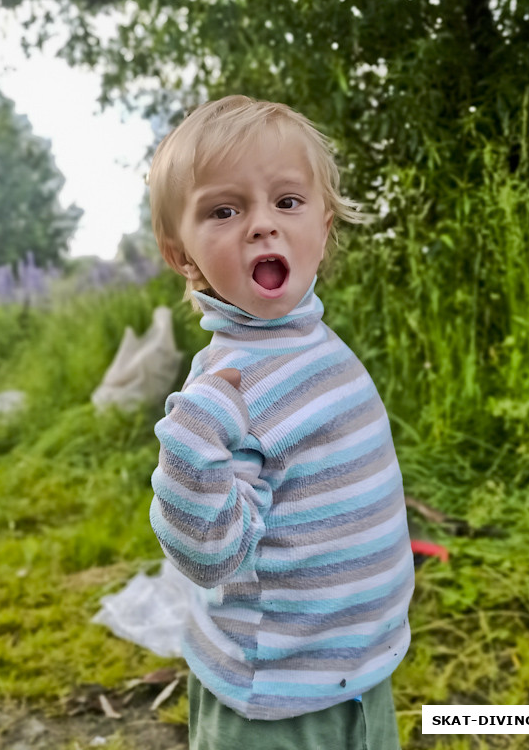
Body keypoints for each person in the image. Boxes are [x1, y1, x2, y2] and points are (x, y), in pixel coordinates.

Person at [148, 95, 415, 750]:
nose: (262, 226)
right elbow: (208, 555)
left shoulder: (314, 346)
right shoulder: (227, 391)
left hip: (354, 675)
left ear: (323, 229)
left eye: (287, 203)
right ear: (181, 254)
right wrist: (189, 447)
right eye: (224, 209)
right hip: (276, 702)